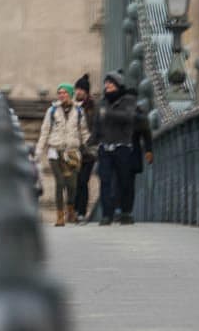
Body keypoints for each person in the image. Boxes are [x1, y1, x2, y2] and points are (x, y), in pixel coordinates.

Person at [93, 70, 154, 225]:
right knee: (106, 181)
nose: (107, 86)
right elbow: (97, 124)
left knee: (124, 181)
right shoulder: (102, 102)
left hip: (124, 147)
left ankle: (126, 212)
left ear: (118, 85)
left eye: (110, 83)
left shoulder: (129, 102)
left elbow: (129, 119)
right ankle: (107, 215)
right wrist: (93, 140)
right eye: (106, 83)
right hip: (105, 147)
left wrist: (148, 149)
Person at [33, 83, 90, 226]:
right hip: (55, 151)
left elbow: (83, 131)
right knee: (60, 183)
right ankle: (60, 216)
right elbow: (44, 132)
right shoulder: (52, 111)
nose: (61, 95)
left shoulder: (79, 111)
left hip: (72, 152)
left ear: (70, 94)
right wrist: (39, 151)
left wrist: (89, 147)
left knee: (72, 185)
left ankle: (70, 210)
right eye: (59, 93)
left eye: (64, 92)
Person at [71, 74, 98, 223]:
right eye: (77, 89)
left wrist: (92, 144)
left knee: (83, 181)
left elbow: (96, 127)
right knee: (74, 182)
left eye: (81, 89)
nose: (78, 92)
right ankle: (74, 211)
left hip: (88, 151)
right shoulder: (72, 106)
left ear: (86, 91)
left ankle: (81, 212)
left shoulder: (93, 107)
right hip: (74, 150)